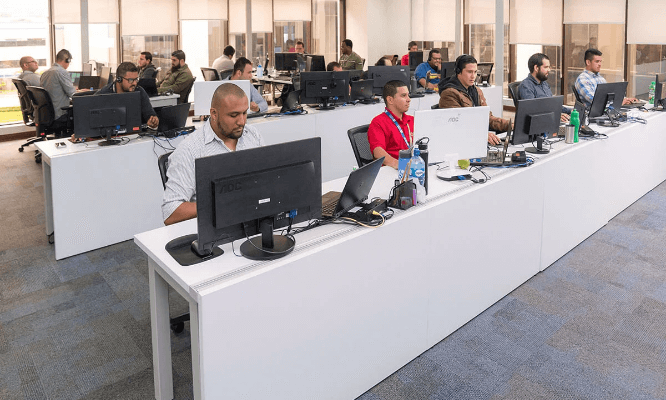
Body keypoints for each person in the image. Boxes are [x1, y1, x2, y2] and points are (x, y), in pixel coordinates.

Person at [162, 83, 264, 225]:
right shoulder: (190, 150)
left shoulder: (252, 135)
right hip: (214, 229)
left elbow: (266, 179)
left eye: (245, 113)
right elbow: (170, 212)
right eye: (233, 115)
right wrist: (220, 205)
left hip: (253, 220)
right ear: (214, 114)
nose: (242, 122)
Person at [438, 54, 510, 145]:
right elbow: (457, 125)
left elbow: (487, 118)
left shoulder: (476, 91)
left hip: (477, 140)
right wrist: (482, 134)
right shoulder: (449, 93)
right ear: (458, 72)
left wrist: (508, 124)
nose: (473, 76)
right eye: (469, 72)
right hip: (461, 143)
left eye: (475, 72)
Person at [367, 80, 414, 169]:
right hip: (393, 171)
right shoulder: (378, 122)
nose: (409, 99)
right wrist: (399, 165)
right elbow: (377, 151)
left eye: (408, 95)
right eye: (404, 96)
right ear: (390, 100)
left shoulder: (412, 120)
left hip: (414, 167)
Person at [97, 62, 159, 129]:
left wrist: (153, 121)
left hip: (135, 136)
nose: (135, 83)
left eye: (136, 79)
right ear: (119, 79)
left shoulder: (139, 91)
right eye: (131, 80)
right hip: (110, 136)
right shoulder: (104, 93)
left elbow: (149, 114)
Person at [518, 53, 570, 122]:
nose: (549, 70)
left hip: (550, 121)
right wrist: (555, 115)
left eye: (549, 67)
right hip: (538, 125)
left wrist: (571, 111)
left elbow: (552, 105)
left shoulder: (544, 84)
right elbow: (532, 110)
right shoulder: (526, 86)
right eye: (546, 67)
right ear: (536, 68)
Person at [40, 49, 81, 123]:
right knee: (85, 112)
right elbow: (72, 94)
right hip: (60, 113)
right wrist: (85, 92)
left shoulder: (45, 73)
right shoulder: (61, 72)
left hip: (48, 113)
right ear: (67, 60)